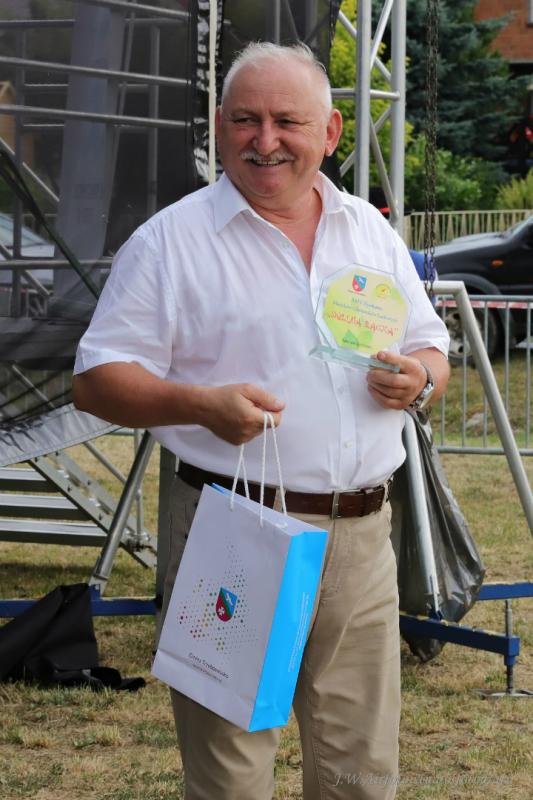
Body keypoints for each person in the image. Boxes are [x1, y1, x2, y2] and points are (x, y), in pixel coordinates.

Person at [72, 42, 449, 800]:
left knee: (360, 770)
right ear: (219, 127)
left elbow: (429, 346)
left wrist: (420, 379)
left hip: (361, 536)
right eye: (245, 119)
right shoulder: (170, 242)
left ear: (330, 132)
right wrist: (197, 404)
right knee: (231, 773)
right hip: (232, 527)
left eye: (287, 121)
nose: (264, 140)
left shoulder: (368, 230)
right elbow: (96, 381)